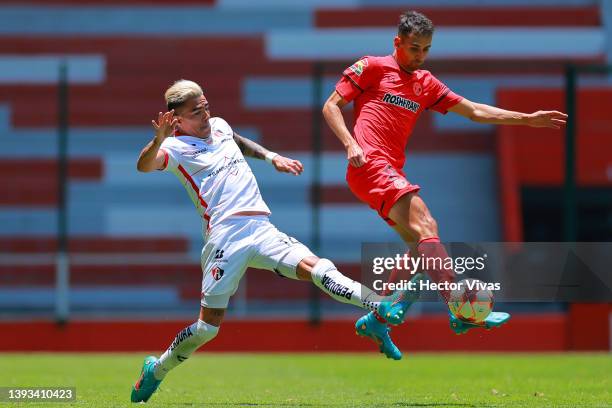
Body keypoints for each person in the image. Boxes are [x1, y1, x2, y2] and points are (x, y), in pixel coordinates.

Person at [130, 79, 412, 403]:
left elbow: (238, 142)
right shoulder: (174, 148)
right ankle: (157, 369)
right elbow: (143, 165)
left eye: (206, 105)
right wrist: (158, 139)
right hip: (224, 238)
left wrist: (271, 157)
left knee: (318, 268)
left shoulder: (219, 126)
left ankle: (382, 305)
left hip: (260, 227)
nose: (206, 114)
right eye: (197, 111)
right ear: (177, 119)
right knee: (207, 329)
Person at [322, 11, 567, 359]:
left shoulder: (425, 82)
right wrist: (350, 143)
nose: (420, 56)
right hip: (368, 164)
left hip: (388, 169)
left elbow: (475, 111)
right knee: (427, 227)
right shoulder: (372, 67)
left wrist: (526, 119)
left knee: (420, 246)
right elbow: (331, 106)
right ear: (397, 43)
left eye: (426, 49)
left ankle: (379, 319)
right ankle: (459, 308)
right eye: (414, 48)